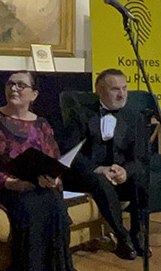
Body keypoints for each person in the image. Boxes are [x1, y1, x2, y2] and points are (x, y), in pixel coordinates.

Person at [0, 72, 79, 271]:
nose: (14, 89)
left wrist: (52, 177)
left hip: (37, 184)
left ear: (34, 94)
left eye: (21, 85)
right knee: (29, 204)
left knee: (55, 205)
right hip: (4, 187)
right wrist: (9, 182)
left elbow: (53, 159)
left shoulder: (42, 125)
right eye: (10, 84)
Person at [61, 69, 150, 260]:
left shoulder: (133, 117)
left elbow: (141, 157)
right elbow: (70, 153)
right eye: (115, 89)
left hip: (118, 173)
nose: (122, 94)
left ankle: (138, 233)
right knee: (100, 180)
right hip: (86, 174)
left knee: (141, 177)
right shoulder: (80, 114)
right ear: (100, 91)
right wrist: (98, 169)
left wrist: (125, 171)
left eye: (124, 88)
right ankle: (122, 236)